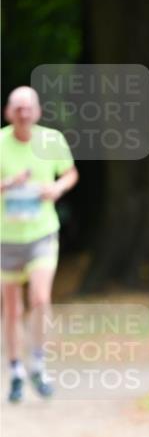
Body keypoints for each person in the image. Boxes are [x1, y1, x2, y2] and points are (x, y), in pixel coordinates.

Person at [1, 86, 78, 403]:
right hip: (6, 238)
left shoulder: (51, 140)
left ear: (37, 112)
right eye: (17, 107)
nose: (23, 113)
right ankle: (16, 370)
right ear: (8, 112)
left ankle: (39, 362)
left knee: (41, 298)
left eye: (28, 107)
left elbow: (70, 173)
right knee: (12, 308)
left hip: (42, 233)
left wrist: (56, 188)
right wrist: (9, 185)